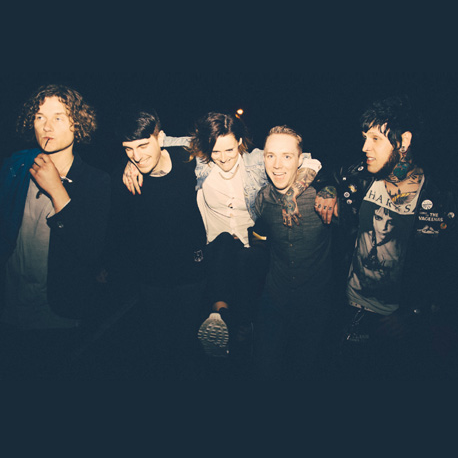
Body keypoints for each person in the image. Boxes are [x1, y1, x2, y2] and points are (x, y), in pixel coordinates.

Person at [123, 112, 322, 361]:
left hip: (251, 252)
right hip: (215, 253)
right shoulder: (202, 162)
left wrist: (293, 192)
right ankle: (221, 317)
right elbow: (154, 143)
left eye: (229, 149)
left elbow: (309, 160)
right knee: (224, 242)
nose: (223, 157)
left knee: (247, 260)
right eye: (216, 151)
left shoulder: (256, 162)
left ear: (240, 142)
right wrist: (134, 161)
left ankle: (237, 323)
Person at [314, 95, 458, 379]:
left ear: (404, 141)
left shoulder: (439, 198)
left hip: (395, 323)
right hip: (348, 306)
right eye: (365, 138)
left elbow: (445, 267)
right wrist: (327, 190)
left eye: (376, 139)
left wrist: (412, 315)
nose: (365, 147)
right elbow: (329, 175)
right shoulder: (359, 178)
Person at [0, 84, 111, 379]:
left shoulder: (95, 181)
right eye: (40, 117)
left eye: (58, 118)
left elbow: (89, 251)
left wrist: (57, 191)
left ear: (78, 124)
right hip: (10, 309)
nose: (46, 126)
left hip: (57, 316)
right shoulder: (15, 168)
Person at [101, 106, 207, 378]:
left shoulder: (188, 161)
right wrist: (108, 265)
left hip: (193, 273)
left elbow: (224, 150)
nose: (136, 156)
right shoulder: (122, 178)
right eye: (128, 149)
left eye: (143, 145)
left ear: (160, 139)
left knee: (190, 345)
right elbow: (117, 227)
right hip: (151, 278)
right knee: (160, 347)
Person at [252, 125, 333, 380]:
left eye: (286, 156)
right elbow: (258, 237)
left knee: (304, 372)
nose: (277, 165)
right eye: (270, 156)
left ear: (300, 159)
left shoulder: (323, 199)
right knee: (265, 370)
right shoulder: (262, 200)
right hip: (273, 302)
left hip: (314, 306)